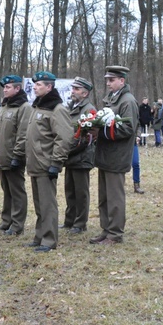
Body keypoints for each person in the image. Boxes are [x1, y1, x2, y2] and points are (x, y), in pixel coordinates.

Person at [20, 71, 73, 252]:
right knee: (39, 203)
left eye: (39, 85)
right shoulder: (38, 107)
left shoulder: (57, 110)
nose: (35, 87)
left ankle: (49, 240)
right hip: (35, 163)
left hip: (46, 163)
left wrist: (56, 162)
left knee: (47, 204)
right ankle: (40, 235)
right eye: (34, 85)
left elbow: (64, 137)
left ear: (49, 87)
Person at [90, 65, 139, 245]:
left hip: (117, 156)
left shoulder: (127, 101)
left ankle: (115, 234)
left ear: (122, 81)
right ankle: (106, 229)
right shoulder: (112, 99)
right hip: (105, 155)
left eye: (112, 80)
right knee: (104, 196)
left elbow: (127, 128)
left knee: (115, 197)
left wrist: (100, 132)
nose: (108, 83)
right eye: (107, 80)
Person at [0, 75, 31, 236]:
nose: (5, 90)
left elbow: (23, 134)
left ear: (17, 89)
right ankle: (6, 221)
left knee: (17, 191)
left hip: (14, 157)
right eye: (4, 87)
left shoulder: (24, 107)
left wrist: (18, 156)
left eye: (8, 87)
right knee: (6, 190)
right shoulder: (3, 107)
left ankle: (17, 224)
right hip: (2, 156)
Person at [62, 77, 97, 234]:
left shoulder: (89, 110)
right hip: (70, 155)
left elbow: (87, 137)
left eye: (76, 89)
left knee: (81, 192)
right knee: (69, 190)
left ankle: (80, 223)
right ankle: (69, 221)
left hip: (82, 156)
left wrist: (69, 150)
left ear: (85, 93)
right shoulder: (71, 107)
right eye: (73, 88)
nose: (73, 91)